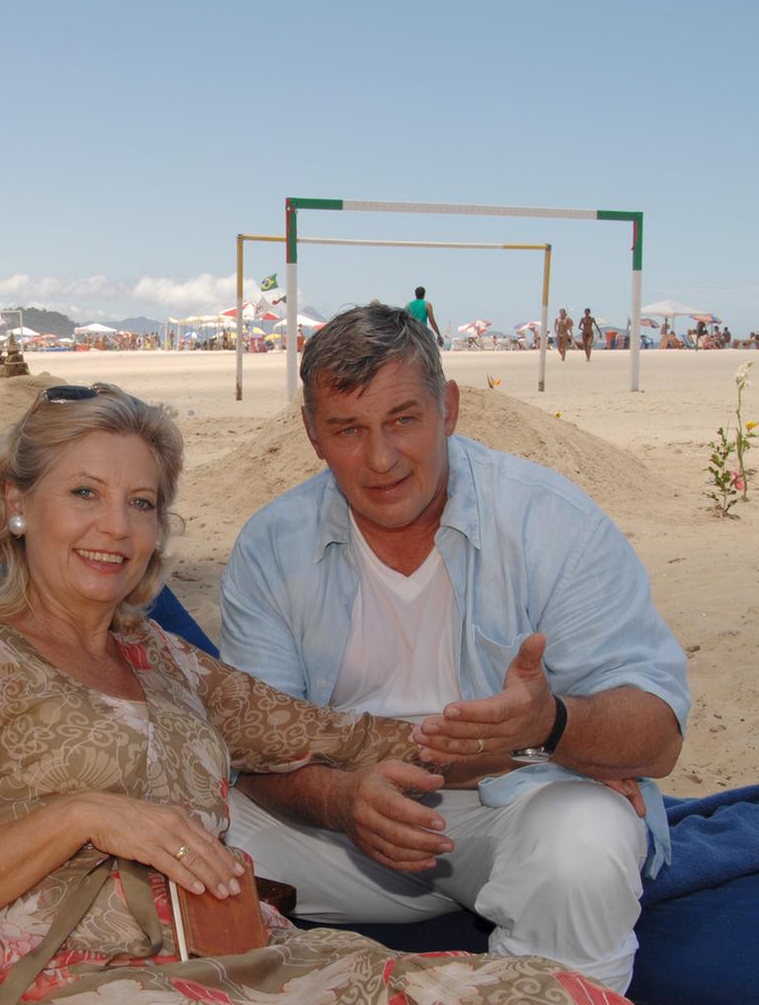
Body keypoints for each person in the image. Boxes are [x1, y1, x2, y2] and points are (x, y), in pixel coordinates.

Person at [0, 383, 626, 1004]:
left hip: (250, 963)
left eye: (142, 503)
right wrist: (80, 817)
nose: (115, 527)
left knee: (551, 991)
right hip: (73, 975)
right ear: (17, 505)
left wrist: (534, 741)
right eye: (85, 493)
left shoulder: (165, 661)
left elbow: (352, 739)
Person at [217, 304, 689, 993]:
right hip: (347, 824)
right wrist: (340, 800)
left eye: (403, 420)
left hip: (517, 804)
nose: (380, 459)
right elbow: (255, 748)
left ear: (450, 409)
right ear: (313, 435)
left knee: (585, 839)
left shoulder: (549, 520)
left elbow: (658, 737)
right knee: (181, 827)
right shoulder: (271, 545)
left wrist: (554, 727)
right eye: (349, 429)